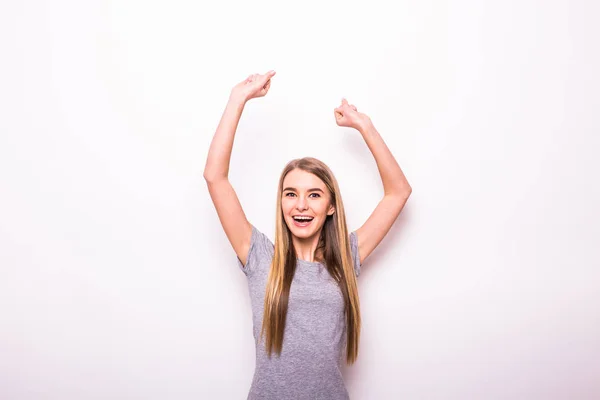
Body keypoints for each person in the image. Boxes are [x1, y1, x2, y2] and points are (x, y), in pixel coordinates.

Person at [203, 70, 412, 399]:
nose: (301, 205)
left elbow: (398, 192)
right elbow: (215, 177)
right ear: (281, 201)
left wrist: (365, 127)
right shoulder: (260, 258)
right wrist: (237, 99)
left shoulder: (347, 257)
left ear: (330, 205)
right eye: (291, 194)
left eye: (314, 194)